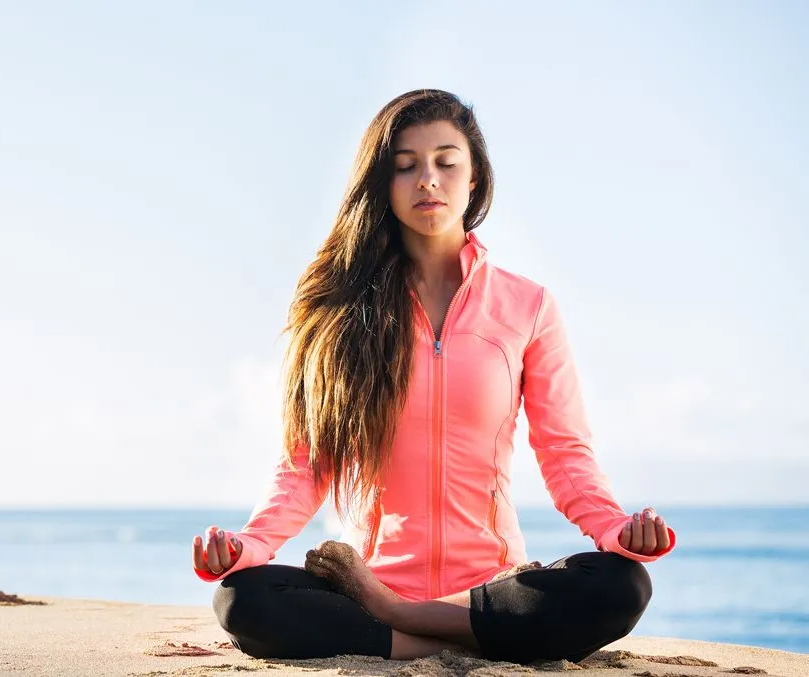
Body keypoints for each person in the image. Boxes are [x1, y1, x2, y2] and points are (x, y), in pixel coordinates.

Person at [190, 89, 676, 664]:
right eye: (406, 166)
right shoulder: (339, 310)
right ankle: (436, 632)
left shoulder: (528, 306)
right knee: (243, 599)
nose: (428, 179)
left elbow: (565, 453)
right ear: (384, 183)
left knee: (622, 586)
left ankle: (402, 627)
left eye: (446, 162)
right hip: (365, 585)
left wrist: (614, 528)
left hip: (490, 590)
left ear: (474, 181)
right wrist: (250, 545)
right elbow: (305, 464)